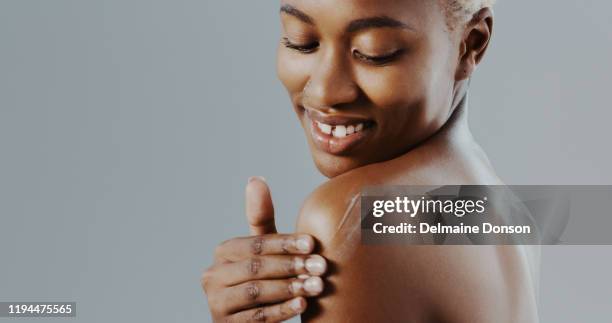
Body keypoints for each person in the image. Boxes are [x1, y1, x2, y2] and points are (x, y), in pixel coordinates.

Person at [202, 0, 540, 322]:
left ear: (471, 44)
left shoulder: (354, 217)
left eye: (374, 53)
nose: (323, 92)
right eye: (301, 42)